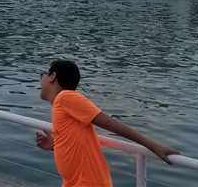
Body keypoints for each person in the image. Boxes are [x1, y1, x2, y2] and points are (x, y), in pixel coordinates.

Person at [35, 59, 179, 187]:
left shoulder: (65, 98)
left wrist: (153, 146)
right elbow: (76, 140)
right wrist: (55, 145)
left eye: (43, 75)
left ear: (52, 76)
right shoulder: (62, 106)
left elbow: (109, 124)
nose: (41, 81)